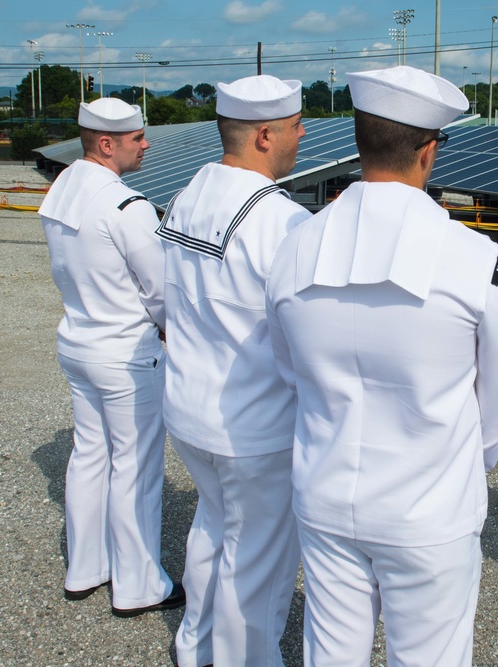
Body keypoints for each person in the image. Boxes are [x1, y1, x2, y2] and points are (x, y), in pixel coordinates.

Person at [265, 65, 498, 667]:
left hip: (325, 495)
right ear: (430, 150)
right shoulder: (474, 258)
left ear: (358, 138)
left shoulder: (295, 245)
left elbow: (289, 371)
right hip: (429, 508)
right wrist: (469, 461)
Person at [156, 74, 312, 667]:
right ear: (267, 135)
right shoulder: (281, 220)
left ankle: (195, 645)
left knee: (213, 527)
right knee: (260, 559)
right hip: (254, 425)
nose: (303, 137)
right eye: (297, 126)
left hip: (191, 408)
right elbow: (301, 334)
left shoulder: (191, 190)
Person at [38, 97, 184, 617]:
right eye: (137, 138)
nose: (146, 145)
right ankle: (139, 585)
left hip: (77, 341)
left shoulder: (62, 191)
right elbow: (160, 289)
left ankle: (85, 568)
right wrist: (174, 333)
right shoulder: (128, 205)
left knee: (89, 456)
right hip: (125, 353)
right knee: (135, 468)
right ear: (106, 144)